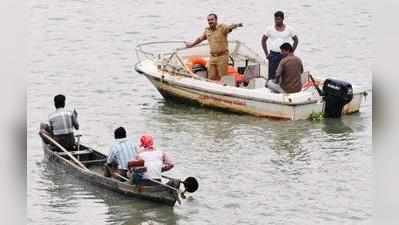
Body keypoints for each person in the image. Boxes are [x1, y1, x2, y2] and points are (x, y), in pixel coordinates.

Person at [185, 13, 243, 81]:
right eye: (208, 20)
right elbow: (200, 39)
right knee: (211, 77)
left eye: (212, 19)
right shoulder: (207, 30)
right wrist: (191, 45)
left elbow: (229, 27)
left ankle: (224, 89)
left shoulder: (222, 27)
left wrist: (236, 25)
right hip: (212, 57)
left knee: (223, 77)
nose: (210, 21)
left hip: (222, 56)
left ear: (216, 20)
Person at [261, 11, 299, 80]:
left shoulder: (289, 29)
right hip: (273, 55)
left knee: (285, 74)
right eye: (275, 19)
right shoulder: (269, 29)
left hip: (285, 56)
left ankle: (284, 88)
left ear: (283, 19)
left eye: (278, 19)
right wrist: (266, 54)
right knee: (272, 76)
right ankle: (271, 88)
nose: (277, 21)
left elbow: (296, 40)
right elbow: (263, 40)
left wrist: (291, 52)